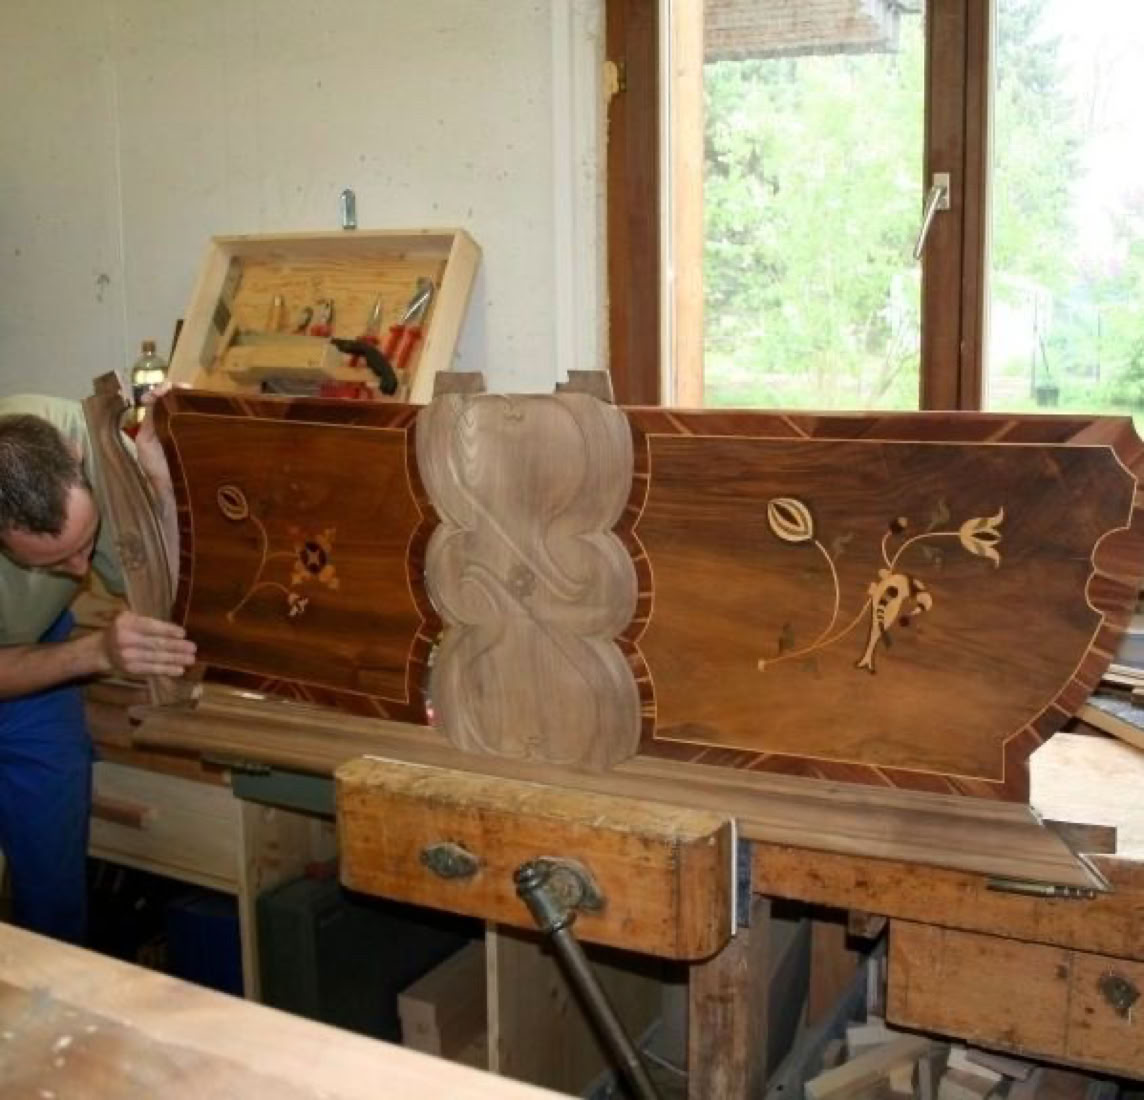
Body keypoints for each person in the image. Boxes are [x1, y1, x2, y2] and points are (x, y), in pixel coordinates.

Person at [0, 390, 196, 943]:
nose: (81, 569)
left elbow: (164, 592)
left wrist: (160, 488)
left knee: (54, 893)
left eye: (85, 544)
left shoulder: (88, 442)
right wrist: (96, 653)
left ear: (75, 457)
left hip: (35, 650)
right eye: (55, 562)